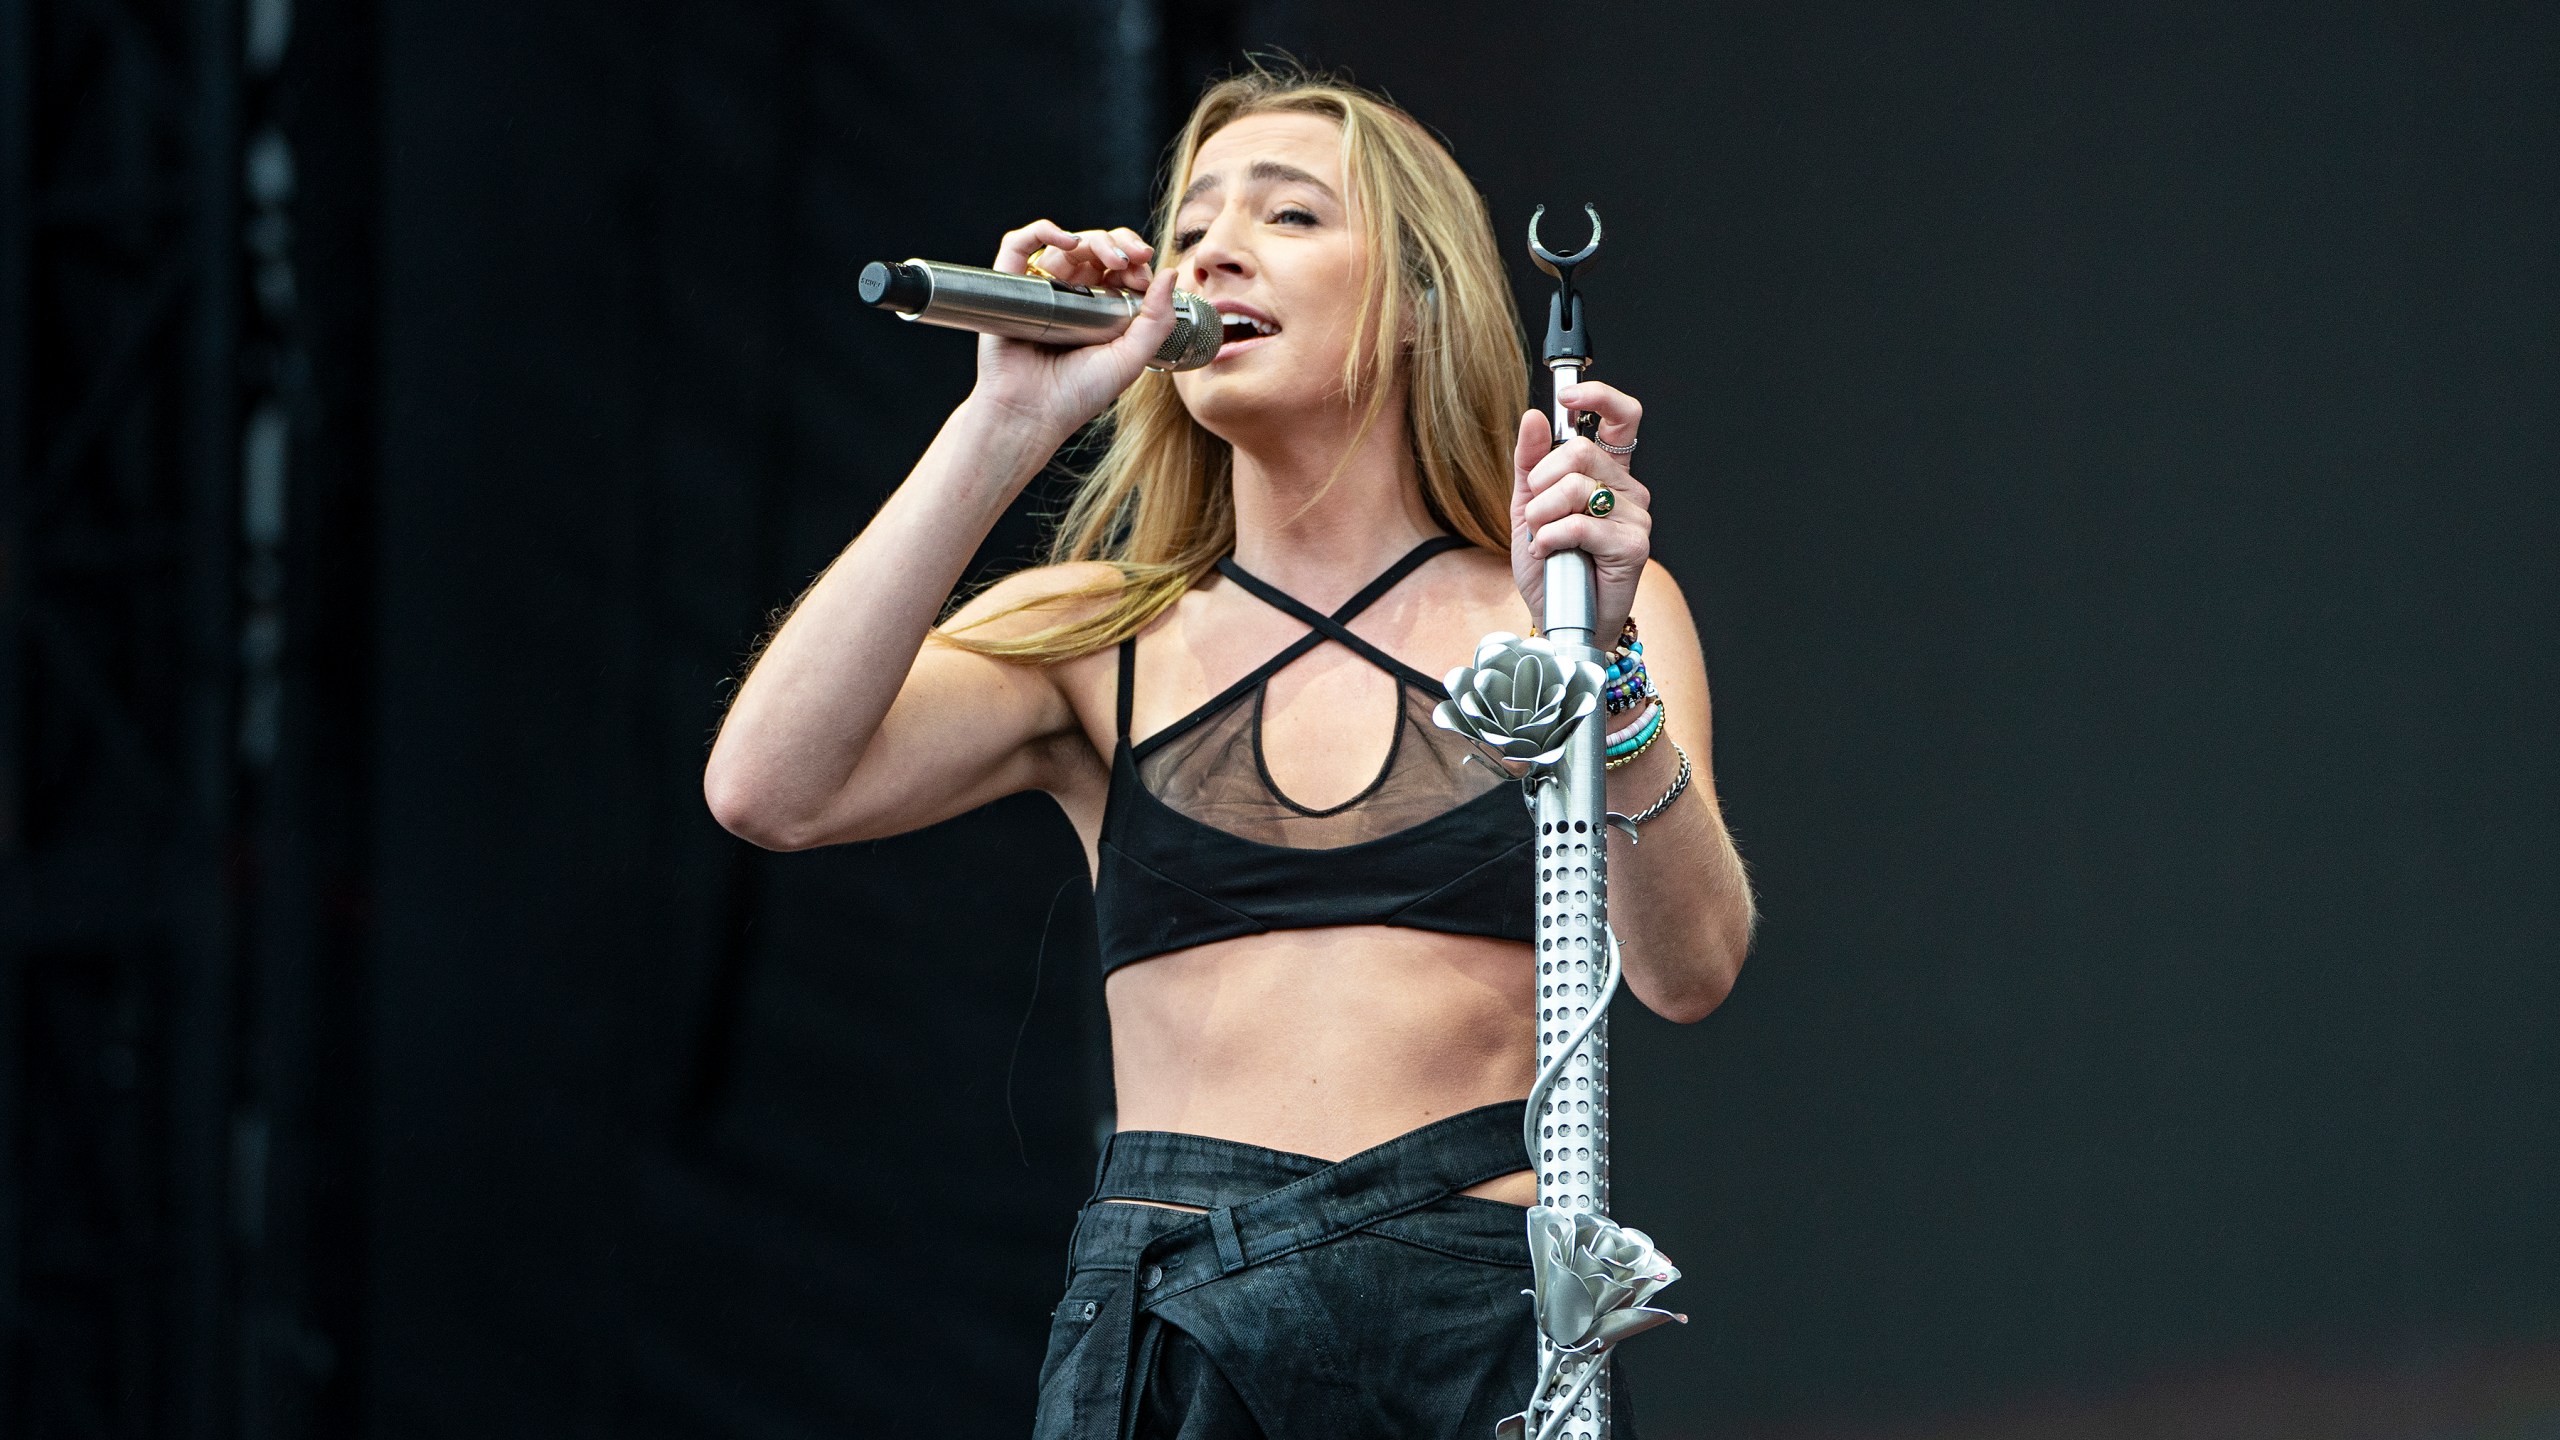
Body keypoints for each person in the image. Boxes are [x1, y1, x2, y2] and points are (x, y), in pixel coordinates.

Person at [704, 63, 1754, 1440]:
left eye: (1292, 214)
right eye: (1193, 220)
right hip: (1172, 1303)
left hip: (1464, 1316)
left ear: (1420, 298)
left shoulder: (1563, 606)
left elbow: (1691, 971)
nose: (1213, 247)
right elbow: (766, 789)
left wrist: (1603, 670)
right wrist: (1004, 424)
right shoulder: (1094, 629)